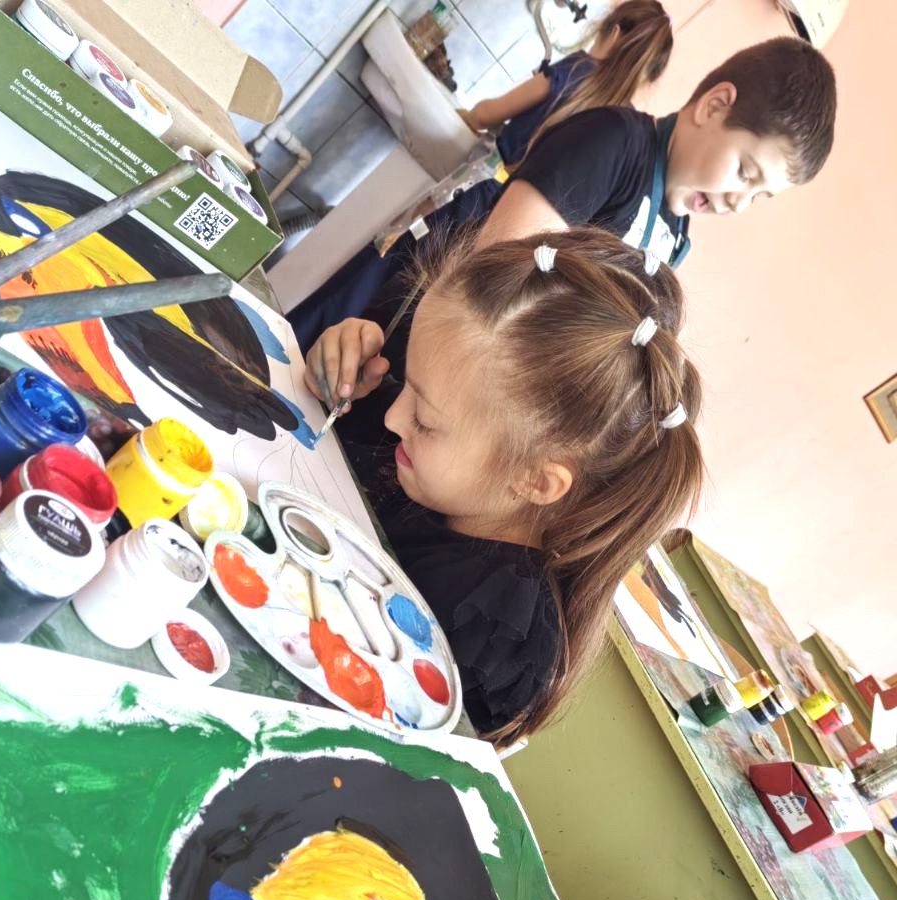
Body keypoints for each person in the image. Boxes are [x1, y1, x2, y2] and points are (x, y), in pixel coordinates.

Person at [303, 228, 704, 746]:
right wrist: (341, 376)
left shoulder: (489, 642)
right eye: (407, 383)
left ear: (535, 479)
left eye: (424, 418)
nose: (395, 417)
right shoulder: (447, 460)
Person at [289, 36, 837, 370]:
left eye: (759, 196)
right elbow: (493, 271)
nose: (739, 202)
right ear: (715, 106)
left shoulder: (675, 239)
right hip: (425, 332)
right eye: (745, 172)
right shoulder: (615, 143)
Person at [461, 0, 673, 168]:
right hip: (520, 203)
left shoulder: (577, 68)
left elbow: (485, 116)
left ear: (613, 34)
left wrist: (465, 117)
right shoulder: (623, 124)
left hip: (486, 176)